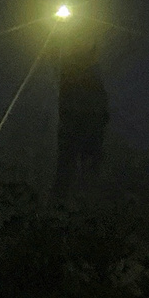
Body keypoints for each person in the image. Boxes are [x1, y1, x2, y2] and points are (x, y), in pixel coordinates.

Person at [55, 36, 110, 195]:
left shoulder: (88, 77)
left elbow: (101, 105)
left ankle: (80, 198)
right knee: (70, 169)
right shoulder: (73, 73)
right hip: (77, 127)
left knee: (82, 170)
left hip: (85, 128)